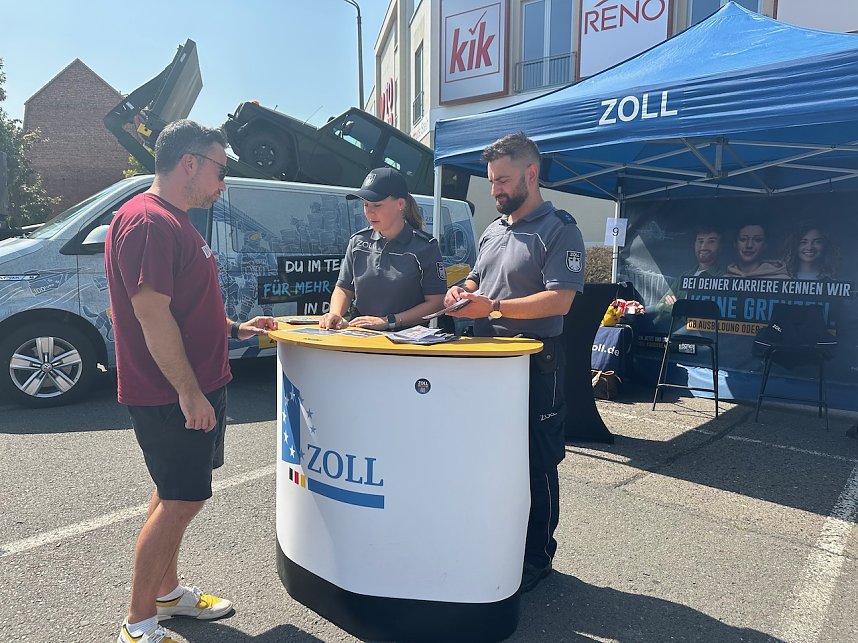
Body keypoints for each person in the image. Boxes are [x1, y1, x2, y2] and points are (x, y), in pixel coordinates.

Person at [105, 120, 277, 643]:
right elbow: (151, 316)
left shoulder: (172, 221)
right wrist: (188, 391)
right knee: (182, 500)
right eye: (220, 169)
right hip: (171, 395)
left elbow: (184, 307)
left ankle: (167, 593)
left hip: (192, 387)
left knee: (171, 492)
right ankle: (138, 624)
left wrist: (235, 329)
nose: (223, 183)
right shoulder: (150, 223)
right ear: (190, 164)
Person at [445, 132, 584, 593]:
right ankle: (495, 544)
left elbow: (560, 300)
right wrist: (461, 290)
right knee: (489, 461)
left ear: (531, 174)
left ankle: (537, 557)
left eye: (502, 180)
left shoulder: (561, 228)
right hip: (488, 364)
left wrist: (497, 309)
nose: (495, 190)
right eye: (491, 182)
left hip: (535, 364)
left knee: (537, 463)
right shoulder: (493, 229)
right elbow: (477, 277)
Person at [319, 167, 447, 331]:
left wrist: (390, 321)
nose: (369, 212)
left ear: (400, 204)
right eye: (365, 205)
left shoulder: (425, 247)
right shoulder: (358, 242)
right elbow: (344, 288)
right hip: (359, 339)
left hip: (404, 345)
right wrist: (335, 313)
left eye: (377, 205)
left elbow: (436, 302)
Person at [660, 226, 725, 308]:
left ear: (720, 246)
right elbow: (660, 306)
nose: (704, 246)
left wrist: (677, 307)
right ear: (694, 244)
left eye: (711, 241)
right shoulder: (685, 276)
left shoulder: (724, 276)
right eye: (700, 241)